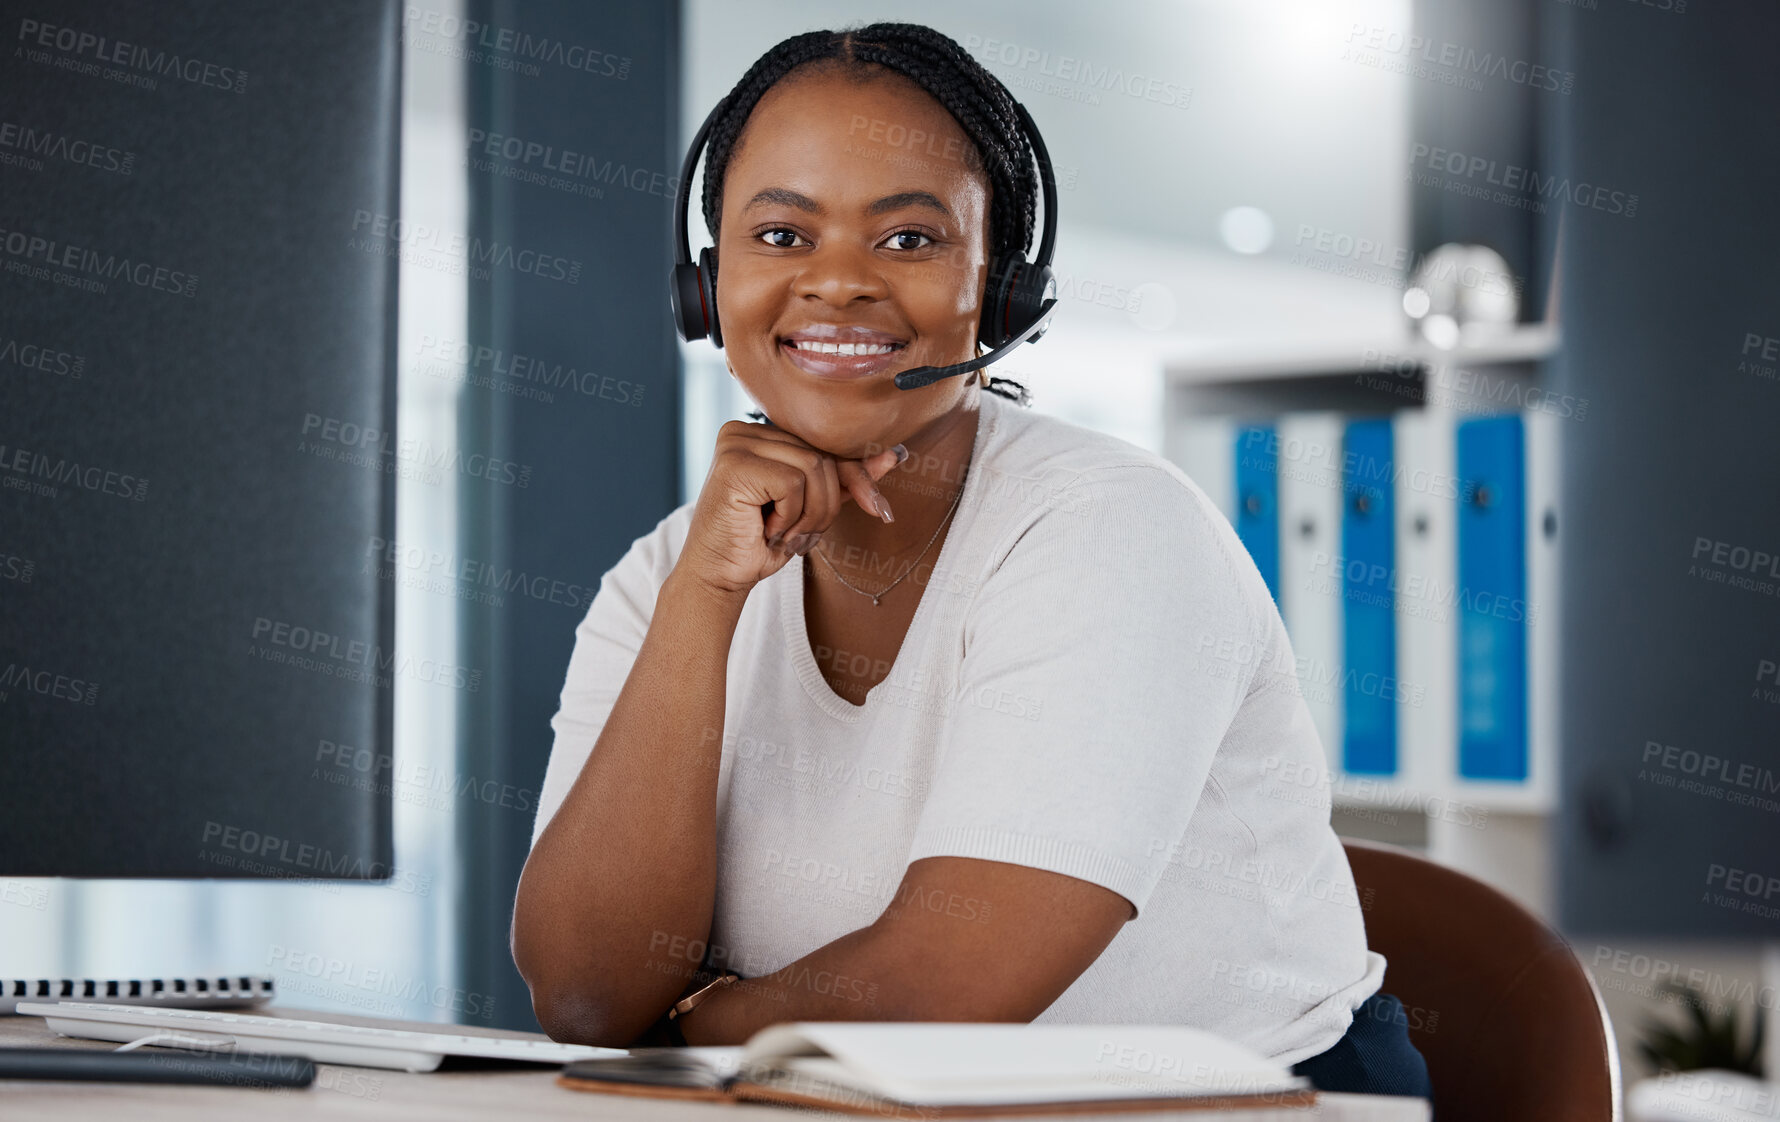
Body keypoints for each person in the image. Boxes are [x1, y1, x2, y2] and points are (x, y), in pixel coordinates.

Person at [511, 21, 1430, 1101]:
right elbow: (580, 994)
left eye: (907, 240)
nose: (838, 284)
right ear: (706, 287)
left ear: (1002, 292)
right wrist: (704, 602)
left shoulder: (1111, 528)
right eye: (781, 236)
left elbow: (939, 991)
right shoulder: (667, 572)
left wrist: (679, 1029)